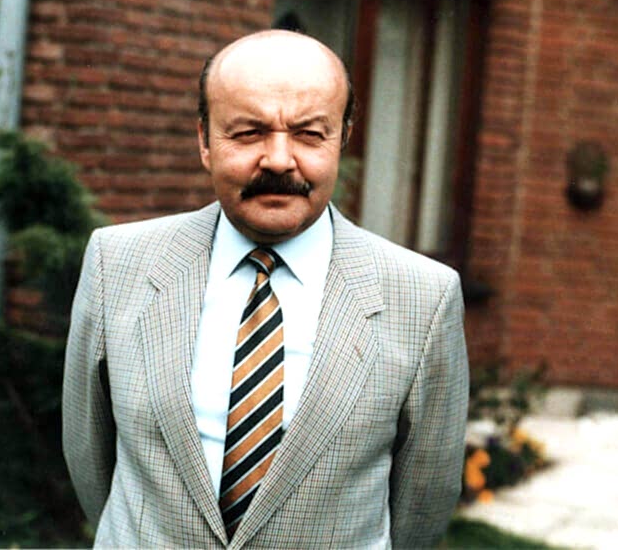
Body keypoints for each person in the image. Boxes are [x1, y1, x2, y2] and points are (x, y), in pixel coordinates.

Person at [63, 30, 469, 548]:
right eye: (249, 132)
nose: (278, 160)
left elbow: (423, 502)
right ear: (205, 141)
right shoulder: (117, 263)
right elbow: (90, 457)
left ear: (342, 139)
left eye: (309, 134)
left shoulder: (423, 297)